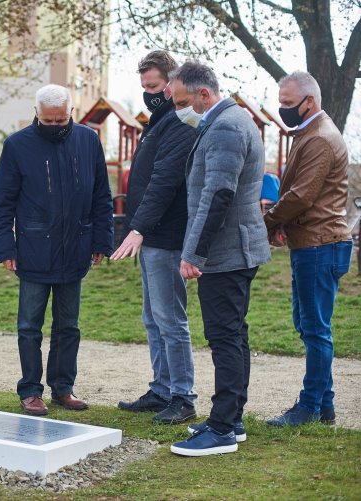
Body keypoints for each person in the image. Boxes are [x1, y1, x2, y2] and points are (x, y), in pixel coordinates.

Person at [0, 84, 114, 416]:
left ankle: (63, 388)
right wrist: (4, 247)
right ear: (37, 114)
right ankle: (30, 390)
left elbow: (101, 195)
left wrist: (102, 240)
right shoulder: (17, 146)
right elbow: (1, 203)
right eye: (48, 121)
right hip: (33, 250)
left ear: (71, 112)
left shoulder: (88, 141)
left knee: (68, 326)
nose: (55, 126)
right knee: (29, 327)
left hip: (76, 248)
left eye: (61, 120)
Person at [167, 61, 271, 456]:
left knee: (225, 338)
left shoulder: (226, 126)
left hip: (226, 253)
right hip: (235, 250)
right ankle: (232, 418)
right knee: (234, 334)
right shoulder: (232, 119)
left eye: (183, 102)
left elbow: (218, 194)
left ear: (204, 94)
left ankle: (222, 428)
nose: (180, 110)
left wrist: (194, 253)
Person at [111, 51, 199, 424]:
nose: (149, 94)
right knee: (153, 318)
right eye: (144, 87)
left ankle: (183, 395)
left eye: (154, 86)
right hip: (152, 237)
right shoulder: (158, 121)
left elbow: (164, 181)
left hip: (167, 237)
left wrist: (139, 228)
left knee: (169, 319)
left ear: (171, 83)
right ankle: (162, 389)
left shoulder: (181, 123)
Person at [263, 71, 353, 427]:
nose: (282, 109)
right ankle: (324, 405)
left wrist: (268, 222)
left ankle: (310, 407)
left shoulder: (319, 139)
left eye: (287, 103)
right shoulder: (310, 133)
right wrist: (282, 224)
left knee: (315, 329)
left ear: (309, 101)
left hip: (320, 245)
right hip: (313, 243)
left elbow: (301, 196)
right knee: (308, 325)